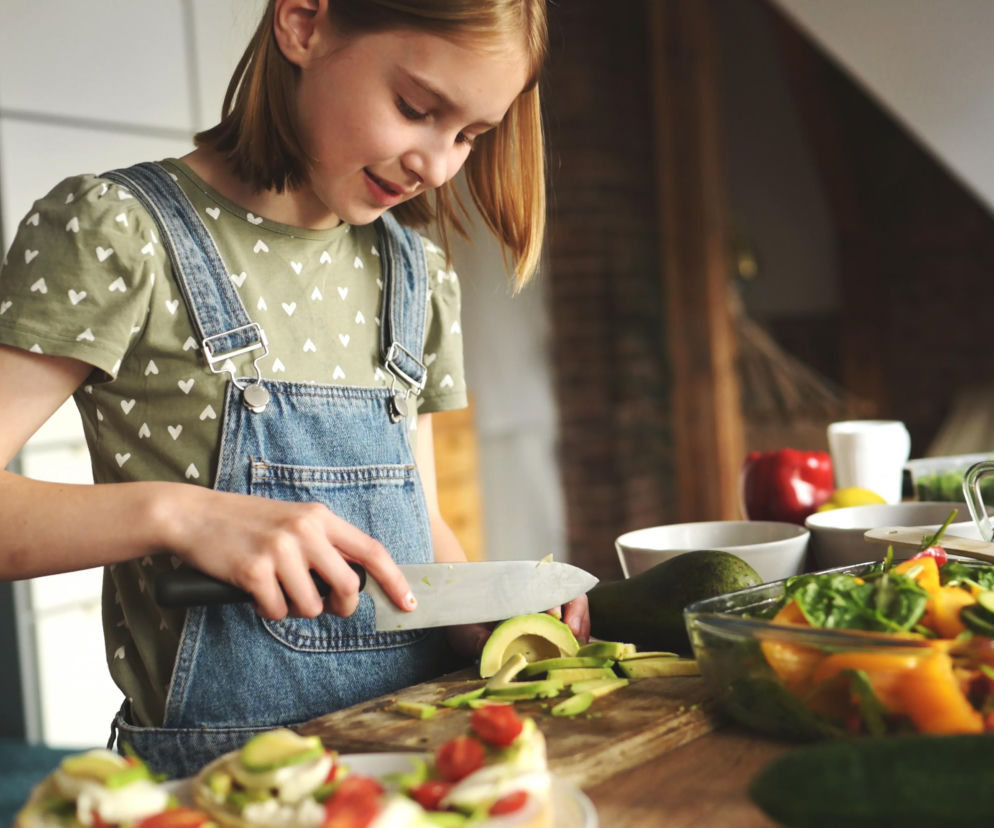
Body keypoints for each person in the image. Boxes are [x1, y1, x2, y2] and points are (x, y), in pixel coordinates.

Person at [0, 0, 589, 778]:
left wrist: (478, 613)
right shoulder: (120, 231)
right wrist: (179, 514)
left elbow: (418, 527)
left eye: (470, 136)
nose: (438, 165)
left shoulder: (418, 277)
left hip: (420, 764)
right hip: (221, 786)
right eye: (416, 109)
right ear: (304, 24)